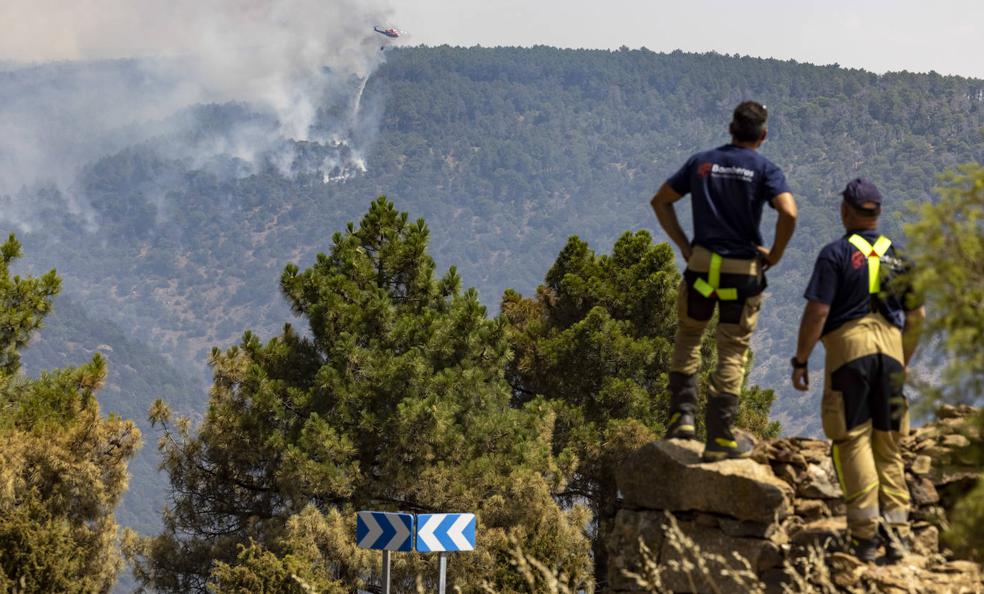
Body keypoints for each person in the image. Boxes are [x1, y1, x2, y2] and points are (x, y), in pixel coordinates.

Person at [651, 101, 798, 461]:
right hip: (742, 272)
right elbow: (789, 212)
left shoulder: (702, 162)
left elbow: (661, 201)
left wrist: (685, 246)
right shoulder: (765, 169)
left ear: (731, 128)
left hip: (702, 267)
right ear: (763, 135)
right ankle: (720, 436)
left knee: (689, 336)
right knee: (732, 350)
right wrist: (775, 255)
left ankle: (682, 419)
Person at [790, 178, 925, 562]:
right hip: (893, 356)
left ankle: (864, 538)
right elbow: (918, 316)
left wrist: (801, 359)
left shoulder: (834, 255)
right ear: (877, 213)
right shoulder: (901, 258)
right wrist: (904, 358)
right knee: (890, 445)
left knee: (853, 440)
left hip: (851, 354)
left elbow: (818, 312)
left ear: (845, 211)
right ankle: (898, 536)